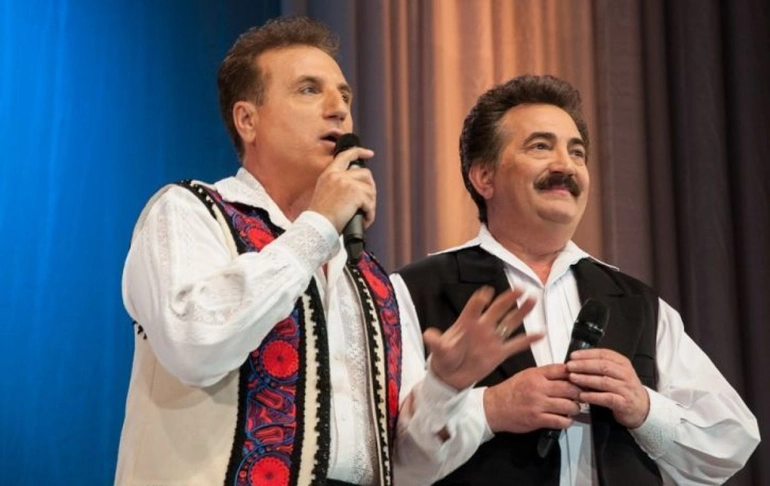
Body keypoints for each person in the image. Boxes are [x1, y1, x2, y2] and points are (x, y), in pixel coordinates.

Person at [115, 16, 541, 486]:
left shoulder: (375, 282)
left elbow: (404, 469)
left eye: (345, 96)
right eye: (308, 90)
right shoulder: (189, 212)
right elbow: (195, 346)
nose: (339, 110)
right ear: (247, 120)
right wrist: (318, 226)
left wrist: (446, 386)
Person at [392, 74, 761, 485]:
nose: (565, 166)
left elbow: (731, 442)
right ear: (485, 177)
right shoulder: (412, 291)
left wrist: (644, 409)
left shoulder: (636, 301)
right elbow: (395, 464)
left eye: (577, 152)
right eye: (540, 146)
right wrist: (491, 408)